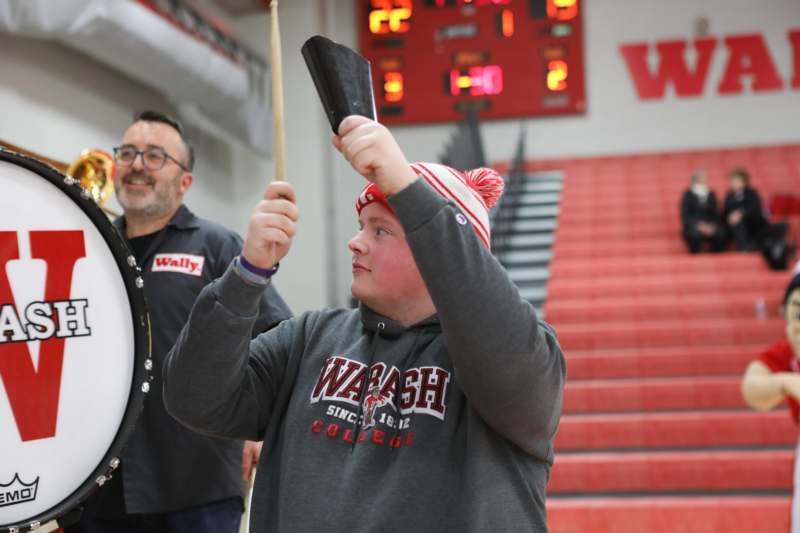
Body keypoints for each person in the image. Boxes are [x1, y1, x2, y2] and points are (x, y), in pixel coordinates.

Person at [163, 115, 566, 532]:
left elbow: (495, 328)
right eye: (361, 227)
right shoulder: (308, 338)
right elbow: (194, 398)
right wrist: (247, 274)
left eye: (381, 230)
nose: (355, 242)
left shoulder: (522, 360)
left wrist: (407, 189)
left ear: (437, 251)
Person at [68, 110, 292, 533]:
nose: (136, 164)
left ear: (185, 181)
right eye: (129, 152)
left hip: (198, 485)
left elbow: (277, 339)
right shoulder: (93, 248)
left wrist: (259, 429)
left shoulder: (217, 246)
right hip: (102, 487)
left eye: (155, 156)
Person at [741, 273, 800, 533]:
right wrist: (785, 382)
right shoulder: (784, 353)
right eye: (798, 311)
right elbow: (752, 389)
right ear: (783, 313)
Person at [680, 169, 726, 253]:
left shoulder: (711, 194)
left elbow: (716, 212)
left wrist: (711, 225)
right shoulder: (688, 194)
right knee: (694, 235)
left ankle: (717, 255)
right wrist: (699, 226)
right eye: (702, 179)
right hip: (695, 226)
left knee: (721, 233)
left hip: (710, 224)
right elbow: (685, 215)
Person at [723, 168, 769, 251]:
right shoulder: (729, 195)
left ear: (743, 182)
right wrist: (730, 217)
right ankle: (743, 247)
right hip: (734, 226)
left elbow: (755, 208)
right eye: (732, 181)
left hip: (752, 223)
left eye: (736, 181)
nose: (733, 183)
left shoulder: (751, 193)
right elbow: (725, 211)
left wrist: (741, 214)